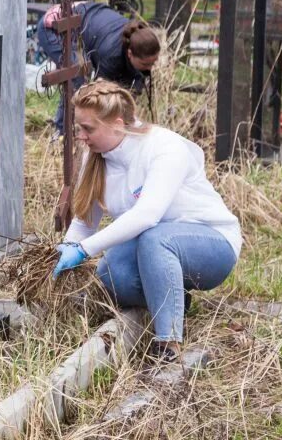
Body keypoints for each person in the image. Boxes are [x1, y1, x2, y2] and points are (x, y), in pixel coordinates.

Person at [53, 81, 241, 362]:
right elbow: (84, 221)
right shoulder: (96, 158)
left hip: (212, 245)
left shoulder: (163, 147)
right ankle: (177, 301)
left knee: (157, 238)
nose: (81, 136)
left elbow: (147, 215)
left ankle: (168, 343)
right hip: (154, 246)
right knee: (110, 272)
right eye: (78, 127)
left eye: (88, 128)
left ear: (117, 124)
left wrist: (84, 249)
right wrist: (65, 248)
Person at [37, 2, 160, 133]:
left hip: (87, 18)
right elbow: (102, 96)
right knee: (77, 76)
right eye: (146, 64)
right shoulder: (111, 55)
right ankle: (63, 133)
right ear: (130, 54)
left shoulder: (136, 38)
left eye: (154, 62)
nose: (150, 68)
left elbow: (130, 90)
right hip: (55, 26)